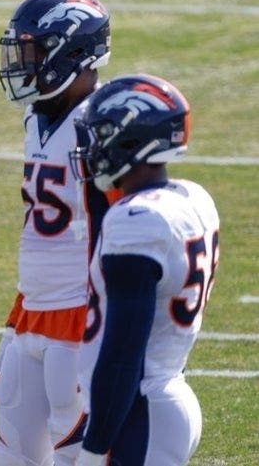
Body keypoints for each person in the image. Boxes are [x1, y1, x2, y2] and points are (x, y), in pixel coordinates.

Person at [0, 0, 119, 466]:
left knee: (77, 451)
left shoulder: (103, 123)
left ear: (73, 51)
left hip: (81, 312)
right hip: (33, 304)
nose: (22, 61)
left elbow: (125, 226)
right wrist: (19, 305)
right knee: (13, 451)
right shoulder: (35, 116)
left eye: (34, 50)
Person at [70, 74, 220, 465]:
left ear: (133, 140)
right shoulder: (192, 199)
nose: (92, 147)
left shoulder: (137, 220)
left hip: (139, 412)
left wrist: (95, 445)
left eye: (101, 134)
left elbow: (123, 353)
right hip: (164, 395)